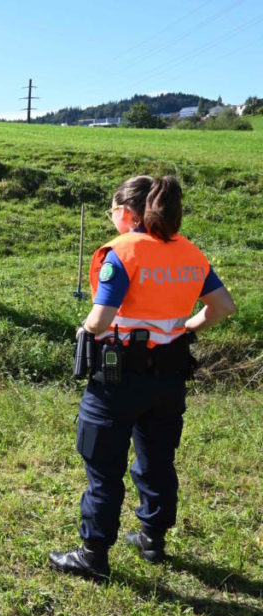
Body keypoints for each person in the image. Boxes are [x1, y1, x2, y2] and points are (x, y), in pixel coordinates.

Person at [49, 176, 236, 581]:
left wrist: (83, 331)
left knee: (103, 461)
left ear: (130, 213)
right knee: (157, 461)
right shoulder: (190, 254)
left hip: (119, 377)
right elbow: (223, 306)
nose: (111, 218)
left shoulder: (123, 253)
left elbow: (100, 320)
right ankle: (153, 540)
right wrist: (186, 329)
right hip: (169, 376)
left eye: (113, 210)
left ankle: (93, 554)